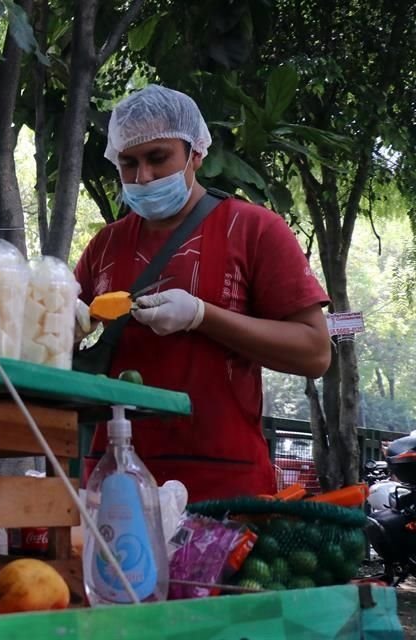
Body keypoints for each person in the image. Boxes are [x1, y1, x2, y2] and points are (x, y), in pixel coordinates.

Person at [74, 85, 331, 502]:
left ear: (196, 153)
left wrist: (202, 316)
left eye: (158, 158)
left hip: (223, 483)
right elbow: (55, 344)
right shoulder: (105, 245)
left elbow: (315, 352)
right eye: (129, 163)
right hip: (115, 478)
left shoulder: (254, 230)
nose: (143, 177)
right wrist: (60, 323)